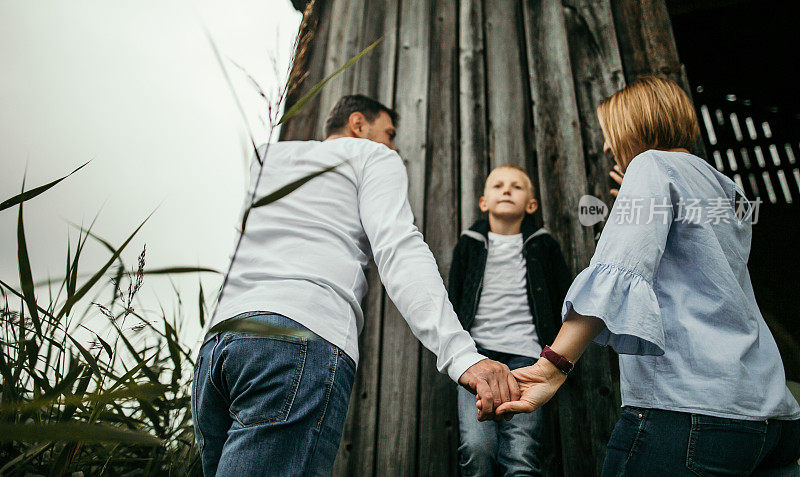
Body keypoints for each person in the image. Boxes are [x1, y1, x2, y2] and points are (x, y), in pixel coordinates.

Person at [191, 94, 519, 476]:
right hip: (298, 341)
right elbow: (398, 248)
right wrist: (462, 356)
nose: (394, 145)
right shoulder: (372, 156)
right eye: (389, 133)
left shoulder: (267, 158)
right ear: (358, 124)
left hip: (218, 348)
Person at [494, 76, 800, 475]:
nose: (606, 146)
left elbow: (621, 268)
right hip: (771, 416)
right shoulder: (724, 188)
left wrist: (552, 366)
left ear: (637, 125)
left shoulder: (651, 164)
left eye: (610, 133)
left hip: (691, 410)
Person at [448, 165, 571, 476]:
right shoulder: (469, 243)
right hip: (475, 359)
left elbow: (564, 300)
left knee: (521, 454)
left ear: (531, 205)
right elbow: (453, 296)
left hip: (527, 360)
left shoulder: (543, 245)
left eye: (516, 187)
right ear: (483, 202)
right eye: (498, 185)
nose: (506, 190)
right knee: (476, 448)